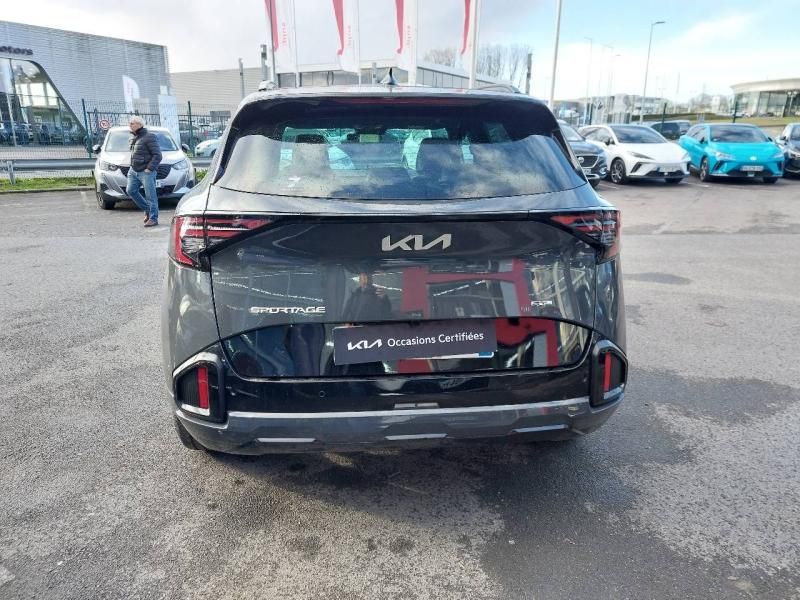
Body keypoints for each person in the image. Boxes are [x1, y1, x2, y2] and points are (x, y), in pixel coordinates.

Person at [125, 116, 162, 227]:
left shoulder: (149, 137)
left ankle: (153, 218)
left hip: (146, 172)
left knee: (151, 196)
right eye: (130, 123)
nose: (130, 125)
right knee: (131, 191)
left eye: (132, 123)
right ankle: (148, 209)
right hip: (133, 170)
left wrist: (149, 168)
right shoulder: (133, 137)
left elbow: (158, 155)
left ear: (140, 124)